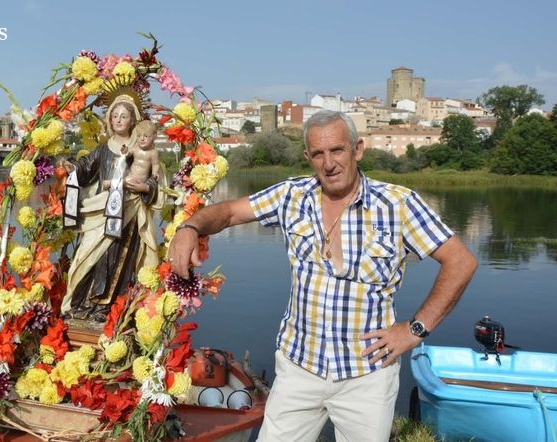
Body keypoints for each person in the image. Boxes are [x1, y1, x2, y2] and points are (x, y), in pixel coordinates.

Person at [168, 110, 477, 441]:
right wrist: (190, 227)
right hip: (299, 369)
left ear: (357, 149)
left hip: (367, 376)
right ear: (308, 157)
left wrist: (414, 330)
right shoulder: (292, 196)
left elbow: (460, 261)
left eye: (337, 150)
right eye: (318, 153)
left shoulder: (398, 205)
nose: (329, 163)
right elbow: (229, 212)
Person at [60, 93, 163, 322]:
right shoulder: (103, 149)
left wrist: (145, 187)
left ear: (132, 121)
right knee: (88, 256)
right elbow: (85, 168)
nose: (118, 120)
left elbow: (156, 180)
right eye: (114, 115)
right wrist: (72, 168)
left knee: (116, 258)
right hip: (101, 211)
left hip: (128, 212)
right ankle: (80, 303)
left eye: (123, 116)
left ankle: (106, 309)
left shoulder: (142, 149)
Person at [126, 120, 161, 185]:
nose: (142, 139)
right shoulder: (136, 147)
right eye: (139, 136)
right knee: (125, 180)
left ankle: (111, 183)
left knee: (127, 182)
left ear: (154, 137)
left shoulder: (153, 152)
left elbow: (155, 164)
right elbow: (129, 153)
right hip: (131, 175)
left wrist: (155, 173)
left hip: (141, 179)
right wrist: (125, 151)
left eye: (146, 136)